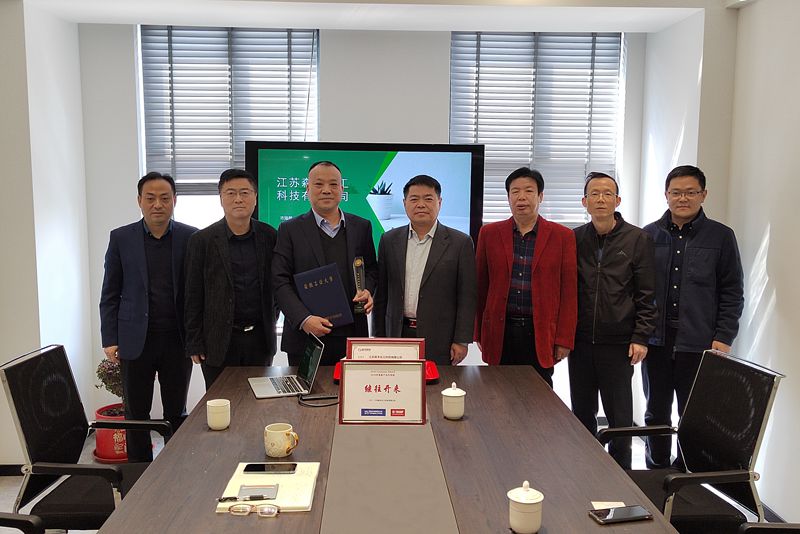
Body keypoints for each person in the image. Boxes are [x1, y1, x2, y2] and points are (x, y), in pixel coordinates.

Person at [642, 164, 744, 468]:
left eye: (690, 192)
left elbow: (732, 290)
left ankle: (687, 477)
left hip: (699, 343)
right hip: (656, 341)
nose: (682, 198)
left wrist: (724, 336)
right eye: (676, 192)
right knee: (656, 412)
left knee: (693, 416)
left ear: (703, 195)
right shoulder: (648, 235)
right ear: (666, 195)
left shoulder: (721, 236)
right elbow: (639, 289)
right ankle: (656, 471)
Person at [99, 172, 197, 462]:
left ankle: (175, 469)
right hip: (134, 340)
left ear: (174, 201)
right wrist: (110, 338)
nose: (158, 204)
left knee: (176, 412)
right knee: (136, 413)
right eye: (150, 198)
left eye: (165, 198)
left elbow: (197, 292)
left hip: (177, 340)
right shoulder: (121, 238)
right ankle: (139, 474)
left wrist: (197, 338)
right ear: (139, 201)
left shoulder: (190, 237)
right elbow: (110, 292)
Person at [569, 172, 657, 469]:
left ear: (617, 200)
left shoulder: (638, 239)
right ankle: (584, 470)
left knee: (619, 417)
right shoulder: (574, 239)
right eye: (594, 194)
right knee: (582, 412)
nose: (601, 199)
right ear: (584, 202)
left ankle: (622, 476)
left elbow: (647, 293)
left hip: (619, 343)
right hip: (581, 342)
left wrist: (641, 336)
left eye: (607, 193)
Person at [475, 167, 577, 387]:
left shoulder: (563, 236)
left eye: (529, 191)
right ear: (508, 197)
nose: (521, 197)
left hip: (539, 332)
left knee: (538, 396)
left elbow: (569, 293)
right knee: (497, 393)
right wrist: (479, 332)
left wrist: (564, 339)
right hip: (500, 331)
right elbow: (480, 286)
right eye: (515, 191)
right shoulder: (489, 234)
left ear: (540, 196)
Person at [273, 161, 377, 366]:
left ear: (342, 189)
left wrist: (368, 290)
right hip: (305, 337)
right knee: (304, 388)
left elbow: (372, 269)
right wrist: (304, 319)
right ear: (307, 189)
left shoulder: (361, 227)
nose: (326, 190)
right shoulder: (289, 230)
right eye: (319, 184)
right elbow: (279, 281)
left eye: (333, 184)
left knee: (350, 388)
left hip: (352, 335)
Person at [184, 168, 278, 389]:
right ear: (221, 199)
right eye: (231, 193)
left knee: (258, 402)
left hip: (260, 340)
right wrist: (194, 341)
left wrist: (271, 317)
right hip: (217, 342)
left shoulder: (269, 236)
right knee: (220, 402)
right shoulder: (202, 240)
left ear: (255, 197)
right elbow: (192, 294)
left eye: (245, 192)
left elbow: (277, 285)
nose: (238, 199)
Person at [372, 175, 477, 365]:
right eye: (414, 199)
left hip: (440, 338)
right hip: (396, 333)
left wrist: (461, 340)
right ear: (404, 203)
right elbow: (382, 294)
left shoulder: (460, 243)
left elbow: (467, 297)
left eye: (428, 199)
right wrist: (378, 336)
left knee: (437, 384)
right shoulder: (389, 240)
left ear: (439, 202)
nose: (421, 204)